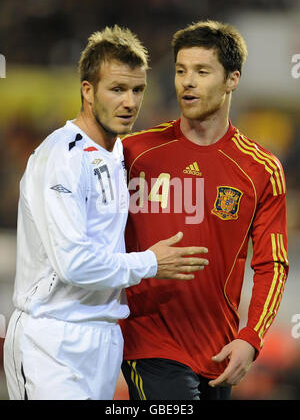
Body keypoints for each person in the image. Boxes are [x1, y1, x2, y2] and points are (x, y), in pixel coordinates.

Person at [3, 25, 209, 401]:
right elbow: (74, 265)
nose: (129, 102)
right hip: (52, 339)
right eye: (117, 89)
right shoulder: (60, 157)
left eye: (137, 90)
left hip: (103, 336)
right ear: (87, 90)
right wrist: (150, 263)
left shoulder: (117, 153)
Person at [120, 20, 289, 400]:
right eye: (180, 71)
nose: (187, 82)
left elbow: (271, 264)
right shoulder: (133, 153)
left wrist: (252, 336)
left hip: (218, 353)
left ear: (232, 79)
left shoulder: (261, 170)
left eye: (201, 71)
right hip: (147, 343)